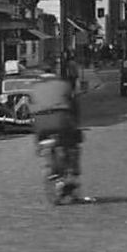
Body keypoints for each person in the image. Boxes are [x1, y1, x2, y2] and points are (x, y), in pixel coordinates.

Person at [28, 68, 84, 203]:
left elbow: (31, 107)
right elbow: (74, 106)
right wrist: (76, 123)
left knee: (42, 143)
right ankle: (71, 174)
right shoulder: (64, 84)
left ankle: (45, 160)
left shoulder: (34, 87)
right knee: (73, 143)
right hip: (61, 119)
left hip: (40, 123)